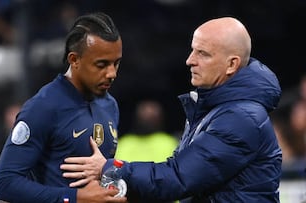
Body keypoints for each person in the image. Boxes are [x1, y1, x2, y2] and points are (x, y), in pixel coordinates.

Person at [60, 17, 282, 202]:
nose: (189, 60)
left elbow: (178, 178)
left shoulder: (241, 118)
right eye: (192, 50)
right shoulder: (214, 111)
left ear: (231, 64)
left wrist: (109, 168)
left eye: (203, 54)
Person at [0, 12, 127, 203]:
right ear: (74, 60)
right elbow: (4, 184)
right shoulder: (43, 107)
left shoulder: (110, 105)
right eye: (102, 64)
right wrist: (75, 198)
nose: (112, 73)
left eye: (116, 63)